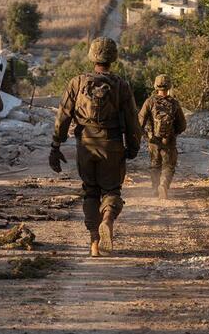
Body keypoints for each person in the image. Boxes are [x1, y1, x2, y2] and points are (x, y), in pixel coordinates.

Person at [50, 37, 142, 257]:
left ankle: (94, 243)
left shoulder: (77, 83)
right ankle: (107, 219)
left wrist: (56, 145)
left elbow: (63, 116)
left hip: (86, 145)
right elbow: (132, 120)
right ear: (113, 57)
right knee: (112, 190)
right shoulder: (121, 85)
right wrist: (133, 147)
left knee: (90, 191)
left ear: (92, 57)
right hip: (112, 145)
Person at [139, 74, 186, 201]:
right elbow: (182, 125)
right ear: (169, 86)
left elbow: (140, 122)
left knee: (155, 165)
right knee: (169, 165)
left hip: (153, 141)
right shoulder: (174, 103)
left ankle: (155, 188)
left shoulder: (149, 102)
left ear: (156, 86)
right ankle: (164, 185)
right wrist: (173, 133)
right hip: (169, 141)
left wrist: (146, 135)